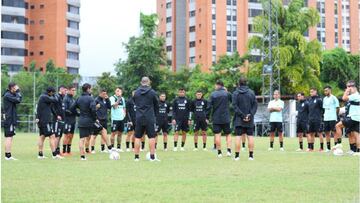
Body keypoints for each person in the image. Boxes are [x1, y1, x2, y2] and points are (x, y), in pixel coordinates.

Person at [133, 77, 159, 161]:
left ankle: (136, 157)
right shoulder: (152, 92)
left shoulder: (136, 92)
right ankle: (152, 157)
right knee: (151, 136)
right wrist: (154, 115)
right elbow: (156, 105)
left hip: (139, 117)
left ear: (141, 82)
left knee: (137, 137)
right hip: (149, 117)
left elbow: (135, 102)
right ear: (148, 82)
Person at [232, 77, 258, 161]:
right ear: (246, 83)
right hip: (249, 119)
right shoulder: (251, 93)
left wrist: (242, 116)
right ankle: (251, 156)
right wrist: (250, 115)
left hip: (239, 119)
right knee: (250, 136)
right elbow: (255, 105)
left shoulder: (235, 93)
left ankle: (237, 156)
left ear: (239, 83)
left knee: (238, 137)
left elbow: (235, 106)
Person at [70, 83, 97, 160]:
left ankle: (82, 156)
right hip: (89, 121)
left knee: (82, 138)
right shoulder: (91, 98)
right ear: (88, 89)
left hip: (81, 121)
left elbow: (72, 108)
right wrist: (94, 118)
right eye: (91, 88)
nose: (91, 90)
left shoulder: (79, 98)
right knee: (101, 130)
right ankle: (110, 148)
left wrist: (79, 114)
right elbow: (93, 110)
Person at [334, 80, 360, 156]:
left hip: (352, 117)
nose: (347, 88)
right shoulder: (355, 96)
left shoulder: (355, 95)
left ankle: (339, 144)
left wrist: (347, 92)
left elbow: (344, 98)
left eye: (348, 87)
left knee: (337, 126)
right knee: (356, 134)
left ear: (353, 87)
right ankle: (357, 151)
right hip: (356, 118)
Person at [36, 87, 63, 159]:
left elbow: (51, 108)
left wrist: (56, 116)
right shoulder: (44, 97)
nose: (53, 94)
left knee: (42, 136)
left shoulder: (45, 98)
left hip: (42, 120)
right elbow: (56, 100)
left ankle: (40, 154)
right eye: (53, 93)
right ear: (50, 92)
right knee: (52, 136)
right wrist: (55, 96)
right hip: (45, 120)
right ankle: (54, 154)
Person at [208, 80, 232, 158]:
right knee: (228, 134)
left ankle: (219, 152)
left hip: (216, 118)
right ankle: (229, 151)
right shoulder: (227, 94)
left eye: (215, 85)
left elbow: (209, 107)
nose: (215, 87)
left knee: (217, 134)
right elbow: (233, 103)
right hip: (226, 117)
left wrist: (207, 117)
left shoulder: (213, 94)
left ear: (218, 85)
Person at [2, 82, 22, 160]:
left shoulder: (9, 94)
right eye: (16, 87)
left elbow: (18, 99)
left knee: (10, 137)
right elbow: (18, 100)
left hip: (10, 118)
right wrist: (18, 92)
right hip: (9, 118)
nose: (17, 89)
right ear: (12, 88)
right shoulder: (8, 95)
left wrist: (17, 92)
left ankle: (8, 154)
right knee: (9, 137)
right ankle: (8, 156)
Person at [91, 89, 112, 153]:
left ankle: (102, 149)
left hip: (104, 120)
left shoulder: (105, 100)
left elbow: (109, 107)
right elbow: (93, 110)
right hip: (98, 120)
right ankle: (92, 149)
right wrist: (96, 118)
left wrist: (108, 99)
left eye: (105, 94)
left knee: (104, 135)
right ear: (100, 93)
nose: (104, 95)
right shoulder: (96, 100)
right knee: (94, 135)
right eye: (103, 94)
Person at [322, 86, 339, 152]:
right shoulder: (324, 99)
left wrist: (335, 116)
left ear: (330, 90)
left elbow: (337, 108)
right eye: (324, 91)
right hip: (326, 118)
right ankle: (328, 148)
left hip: (332, 118)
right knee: (326, 133)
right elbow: (324, 108)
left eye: (326, 90)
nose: (325, 92)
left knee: (334, 132)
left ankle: (336, 147)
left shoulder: (334, 98)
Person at [110, 87, 126, 152]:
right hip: (115, 118)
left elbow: (124, 107)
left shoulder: (123, 98)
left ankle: (118, 147)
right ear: (115, 91)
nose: (118, 92)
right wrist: (119, 98)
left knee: (120, 134)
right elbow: (115, 106)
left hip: (121, 119)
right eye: (117, 91)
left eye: (119, 91)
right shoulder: (112, 98)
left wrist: (124, 114)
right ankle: (112, 148)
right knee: (113, 133)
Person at [62, 86, 77, 155]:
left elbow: (75, 110)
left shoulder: (73, 99)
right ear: (68, 90)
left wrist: (80, 114)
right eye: (72, 90)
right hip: (67, 120)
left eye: (74, 90)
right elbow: (65, 110)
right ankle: (64, 151)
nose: (74, 91)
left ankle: (68, 150)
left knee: (71, 135)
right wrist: (73, 112)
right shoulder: (66, 99)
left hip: (73, 120)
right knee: (66, 135)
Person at [53, 85, 67, 156]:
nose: (66, 92)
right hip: (57, 120)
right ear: (61, 89)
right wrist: (56, 115)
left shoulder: (63, 98)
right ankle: (55, 152)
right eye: (65, 90)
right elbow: (52, 107)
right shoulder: (56, 97)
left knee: (60, 136)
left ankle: (58, 151)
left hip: (63, 120)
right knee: (57, 136)